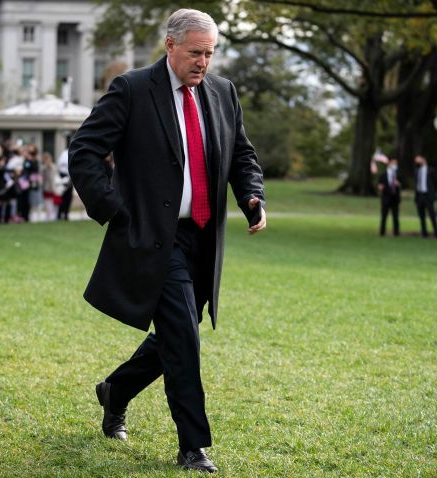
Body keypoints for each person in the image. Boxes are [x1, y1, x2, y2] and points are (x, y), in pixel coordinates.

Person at [69, 9, 266, 473]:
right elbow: (85, 151)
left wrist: (252, 196)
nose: (204, 62)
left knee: (180, 333)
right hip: (156, 238)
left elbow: (241, 153)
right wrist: (114, 210)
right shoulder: (133, 89)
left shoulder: (222, 92)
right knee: (183, 338)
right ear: (170, 45)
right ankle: (192, 445)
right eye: (196, 52)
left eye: (211, 53)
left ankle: (115, 390)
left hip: (204, 238)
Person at [414, 154, 437, 238]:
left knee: (432, 215)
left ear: (423, 159)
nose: (416, 161)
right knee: (421, 216)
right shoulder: (417, 171)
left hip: (428, 196)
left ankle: (436, 233)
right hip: (420, 195)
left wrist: (435, 195)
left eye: (418, 159)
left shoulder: (431, 170)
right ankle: (424, 233)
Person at [377, 157, 401, 237]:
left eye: (396, 164)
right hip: (386, 198)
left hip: (395, 198)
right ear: (389, 164)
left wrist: (398, 184)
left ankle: (396, 233)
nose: (395, 165)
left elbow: (403, 185)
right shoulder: (383, 175)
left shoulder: (398, 175)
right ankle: (382, 232)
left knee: (396, 217)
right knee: (384, 216)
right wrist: (380, 187)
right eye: (393, 163)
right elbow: (379, 185)